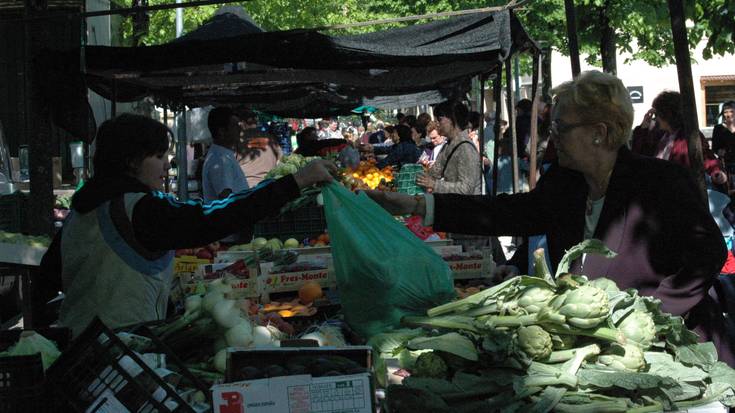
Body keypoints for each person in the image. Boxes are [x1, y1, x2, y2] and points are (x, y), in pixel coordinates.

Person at [366, 71, 734, 366]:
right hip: (601, 354)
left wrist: (654, 311)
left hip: (676, 349)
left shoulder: (660, 182)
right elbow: (507, 213)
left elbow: (708, 253)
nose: (550, 137)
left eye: (560, 127)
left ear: (599, 133)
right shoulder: (566, 182)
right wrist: (416, 205)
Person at [41, 113, 336, 336]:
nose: (166, 164)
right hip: (123, 352)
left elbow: (48, 279)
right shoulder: (139, 207)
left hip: (80, 349)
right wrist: (297, 181)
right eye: (158, 156)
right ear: (132, 161)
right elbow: (216, 215)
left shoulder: (82, 212)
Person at [631, 91, 726, 187]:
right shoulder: (657, 134)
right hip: (657, 191)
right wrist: (643, 127)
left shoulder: (689, 134)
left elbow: (705, 156)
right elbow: (639, 154)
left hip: (679, 193)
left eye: (657, 114)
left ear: (667, 115)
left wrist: (716, 171)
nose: (656, 118)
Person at [416, 100, 481, 195]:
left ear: (452, 119)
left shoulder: (466, 148)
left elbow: (466, 189)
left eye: (440, 119)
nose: (436, 123)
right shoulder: (448, 145)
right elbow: (435, 172)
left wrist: (434, 185)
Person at [202, 107, 249, 201]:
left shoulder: (222, 154)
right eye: (235, 126)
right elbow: (226, 199)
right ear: (222, 131)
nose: (240, 130)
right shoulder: (220, 159)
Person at [712, 101, 735, 173]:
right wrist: (719, 151)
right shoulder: (718, 128)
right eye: (725, 112)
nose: (729, 114)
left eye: (731, 111)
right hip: (725, 165)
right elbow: (714, 148)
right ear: (722, 114)